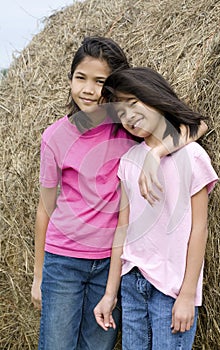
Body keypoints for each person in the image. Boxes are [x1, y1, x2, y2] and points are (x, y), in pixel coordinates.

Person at [31, 36, 207, 350]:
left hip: (111, 264)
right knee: (56, 344)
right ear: (70, 79)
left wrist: (156, 154)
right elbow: (45, 206)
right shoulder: (55, 136)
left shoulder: (125, 130)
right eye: (80, 78)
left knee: (99, 344)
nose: (88, 89)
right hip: (64, 260)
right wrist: (38, 275)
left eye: (99, 82)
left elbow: (195, 125)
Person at [94, 67, 218, 350]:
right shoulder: (127, 162)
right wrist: (110, 293)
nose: (127, 117)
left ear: (153, 96)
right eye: (119, 112)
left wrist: (188, 294)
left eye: (132, 103)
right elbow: (122, 229)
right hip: (132, 283)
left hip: (171, 290)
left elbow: (199, 228)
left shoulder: (191, 155)